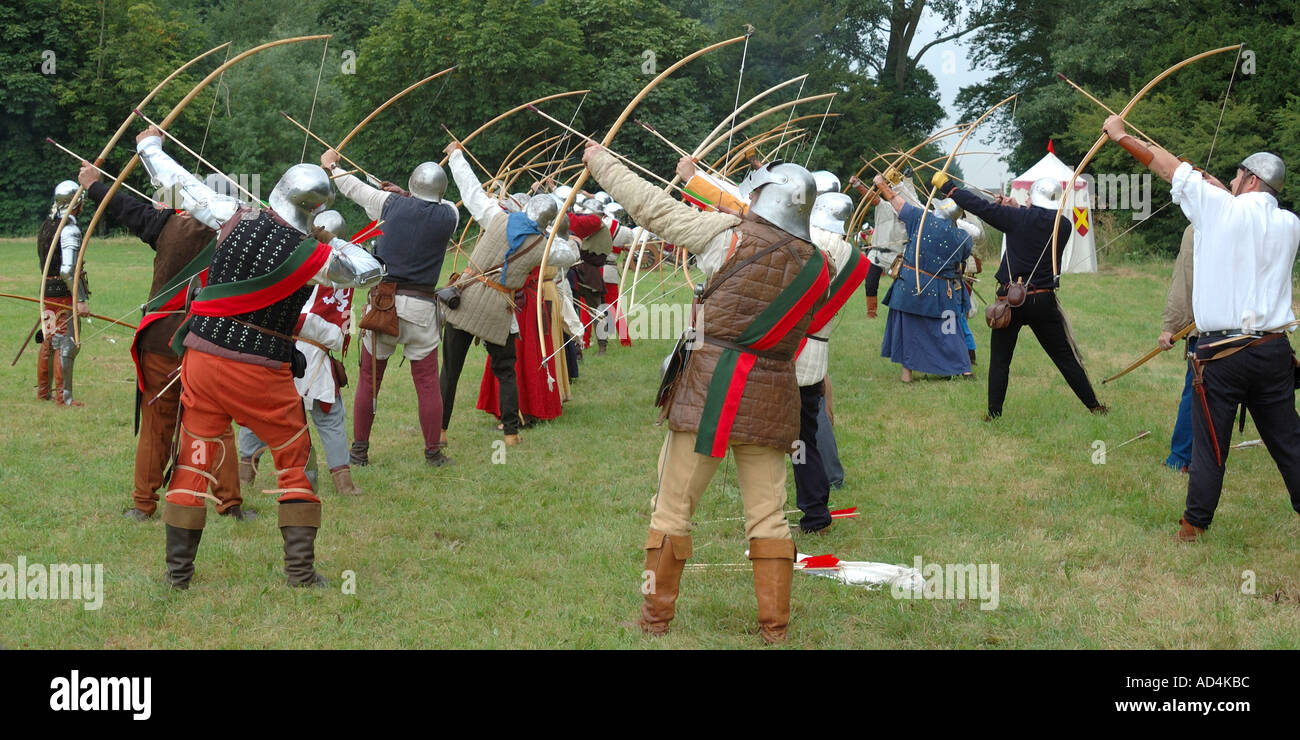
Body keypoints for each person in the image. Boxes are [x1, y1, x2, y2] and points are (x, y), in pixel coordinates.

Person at [591, 144, 828, 643]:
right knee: (767, 513)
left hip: (714, 387)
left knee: (672, 509)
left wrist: (602, 164)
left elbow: (651, 206)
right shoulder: (818, 266)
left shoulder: (729, 238)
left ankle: (655, 619)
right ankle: (775, 629)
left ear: (768, 198)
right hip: (773, 393)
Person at [137, 126, 383, 588]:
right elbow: (369, 269)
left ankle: (178, 576)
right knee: (294, 459)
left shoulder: (233, 214)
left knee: (194, 460)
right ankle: (300, 574)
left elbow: (180, 183)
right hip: (258, 371)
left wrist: (149, 147)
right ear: (319, 210)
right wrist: (328, 236)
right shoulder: (316, 256)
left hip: (202, 361)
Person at [1102, 114, 1300, 541]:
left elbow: (1166, 167)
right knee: (1289, 441)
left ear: (1249, 180)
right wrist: (1211, 186)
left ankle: (1193, 526)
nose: (1229, 180)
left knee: (1210, 447)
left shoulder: (1219, 210)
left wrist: (1120, 135)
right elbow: (1231, 207)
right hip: (1273, 352)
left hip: (1223, 357)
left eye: (1236, 175)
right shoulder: (1290, 224)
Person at [75, 162, 246, 521]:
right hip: (208, 344)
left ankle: (144, 503)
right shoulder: (242, 238)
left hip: (162, 341)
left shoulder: (169, 224)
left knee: (157, 423)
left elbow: (125, 207)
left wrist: (94, 184)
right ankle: (229, 502)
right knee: (216, 421)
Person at [322, 150, 457, 468]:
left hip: (385, 301)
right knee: (426, 383)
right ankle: (433, 454)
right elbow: (426, 208)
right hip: (422, 307)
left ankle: (359, 452)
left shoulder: (390, 203)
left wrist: (332, 166)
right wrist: (404, 196)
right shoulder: (449, 214)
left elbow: (354, 188)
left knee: (370, 379)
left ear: (411, 185)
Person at [935, 172, 1106, 419]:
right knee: (1065, 358)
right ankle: (1094, 406)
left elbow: (980, 207)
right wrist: (1015, 208)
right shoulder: (1064, 225)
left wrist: (950, 188)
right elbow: (1036, 221)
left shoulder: (1017, 218)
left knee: (1000, 361)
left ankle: (993, 415)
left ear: (1033, 197)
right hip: (1043, 300)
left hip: (1010, 301)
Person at [441, 139, 559, 446]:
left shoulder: (497, 216)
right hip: (497, 309)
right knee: (505, 371)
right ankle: (509, 434)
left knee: (450, 372)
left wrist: (456, 156)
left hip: (463, 300)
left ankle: (438, 432)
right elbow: (569, 253)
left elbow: (470, 192)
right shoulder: (543, 247)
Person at [239, 209, 363, 495]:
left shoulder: (309, 260)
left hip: (295, 347)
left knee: (267, 411)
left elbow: (298, 314)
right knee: (268, 411)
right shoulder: (347, 266)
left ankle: (246, 475)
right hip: (297, 347)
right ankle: (343, 484)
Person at [792, 190, 868, 534]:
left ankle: (808, 508)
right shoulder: (854, 256)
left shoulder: (802, 239)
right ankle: (815, 508)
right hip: (816, 353)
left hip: (786, 350)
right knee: (803, 438)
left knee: (780, 437)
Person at [875, 175, 973, 380]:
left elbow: (895, 200)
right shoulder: (963, 238)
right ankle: (963, 369)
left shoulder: (921, 218)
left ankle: (907, 374)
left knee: (909, 328)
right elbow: (961, 260)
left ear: (938, 210)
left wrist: (881, 184)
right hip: (941, 290)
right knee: (949, 331)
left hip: (911, 285)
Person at [35, 181, 89, 406]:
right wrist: (80, 299)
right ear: (76, 203)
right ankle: (64, 397)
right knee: (66, 342)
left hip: (47, 291)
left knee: (49, 340)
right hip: (63, 293)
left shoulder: (47, 225)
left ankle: (43, 392)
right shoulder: (69, 229)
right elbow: (67, 270)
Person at [1158, 225, 1198, 473]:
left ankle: (1181, 458)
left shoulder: (1197, 229)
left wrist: (1170, 326)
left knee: (1197, 392)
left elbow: (1185, 280)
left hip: (1213, 333)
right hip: (1263, 335)